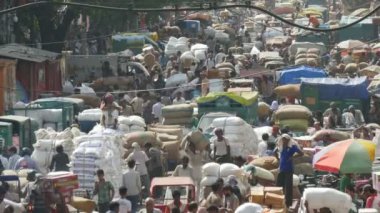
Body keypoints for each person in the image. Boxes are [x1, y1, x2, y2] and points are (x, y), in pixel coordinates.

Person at [274, 134, 303, 207]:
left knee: (288, 187)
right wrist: (278, 159)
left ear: (288, 140)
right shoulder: (280, 147)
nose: (284, 140)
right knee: (279, 185)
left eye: (286, 139)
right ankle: (277, 200)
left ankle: (288, 203)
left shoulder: (292, 147)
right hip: (281, 169)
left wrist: (292, 157)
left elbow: (301, 153)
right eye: (283, 139)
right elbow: (274, 152)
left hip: (289, 169)